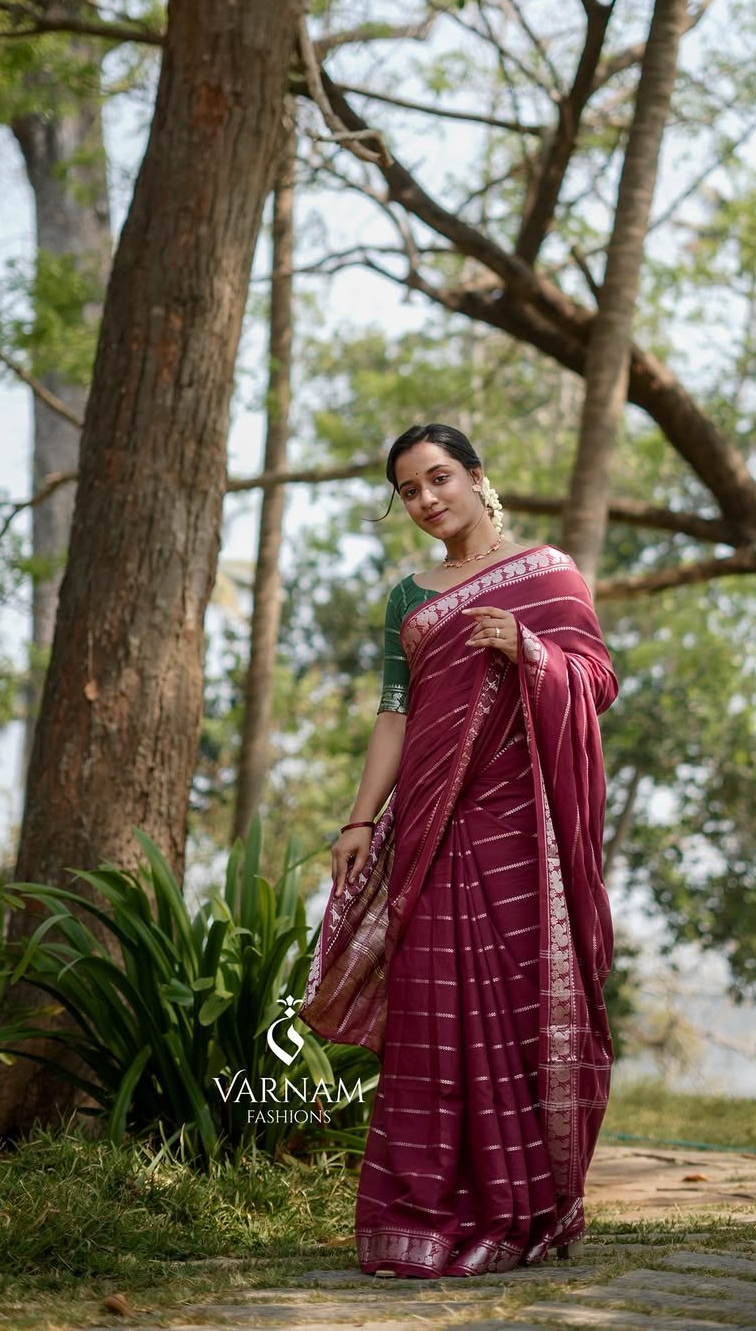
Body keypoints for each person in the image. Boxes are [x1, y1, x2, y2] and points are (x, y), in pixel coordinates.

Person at [301, 422, 618, 1278]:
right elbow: (395, 715)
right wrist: (359, 822)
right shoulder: (409, 597)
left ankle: (525, 1210)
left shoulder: (549, 574)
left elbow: (599, 678)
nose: (427, 499)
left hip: (521, 832)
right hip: (433, 831)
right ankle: (422, 1217)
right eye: (409, 489)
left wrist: (532, 651)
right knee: (433, 1020)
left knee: (517, 1008)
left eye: (439, 477)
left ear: (479, 477)